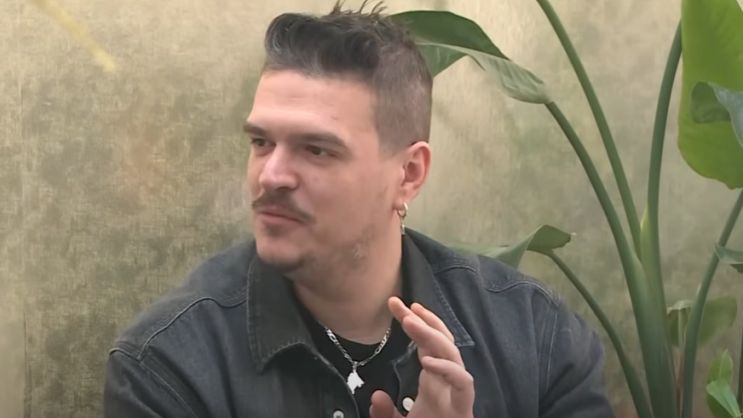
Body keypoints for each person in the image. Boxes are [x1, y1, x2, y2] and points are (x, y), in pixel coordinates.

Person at [103, 2, 617, 417]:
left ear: (409, 174)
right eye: (261, 142)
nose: (272, 175)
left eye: (316, 150)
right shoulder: (169, 365)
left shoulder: (535, 337)